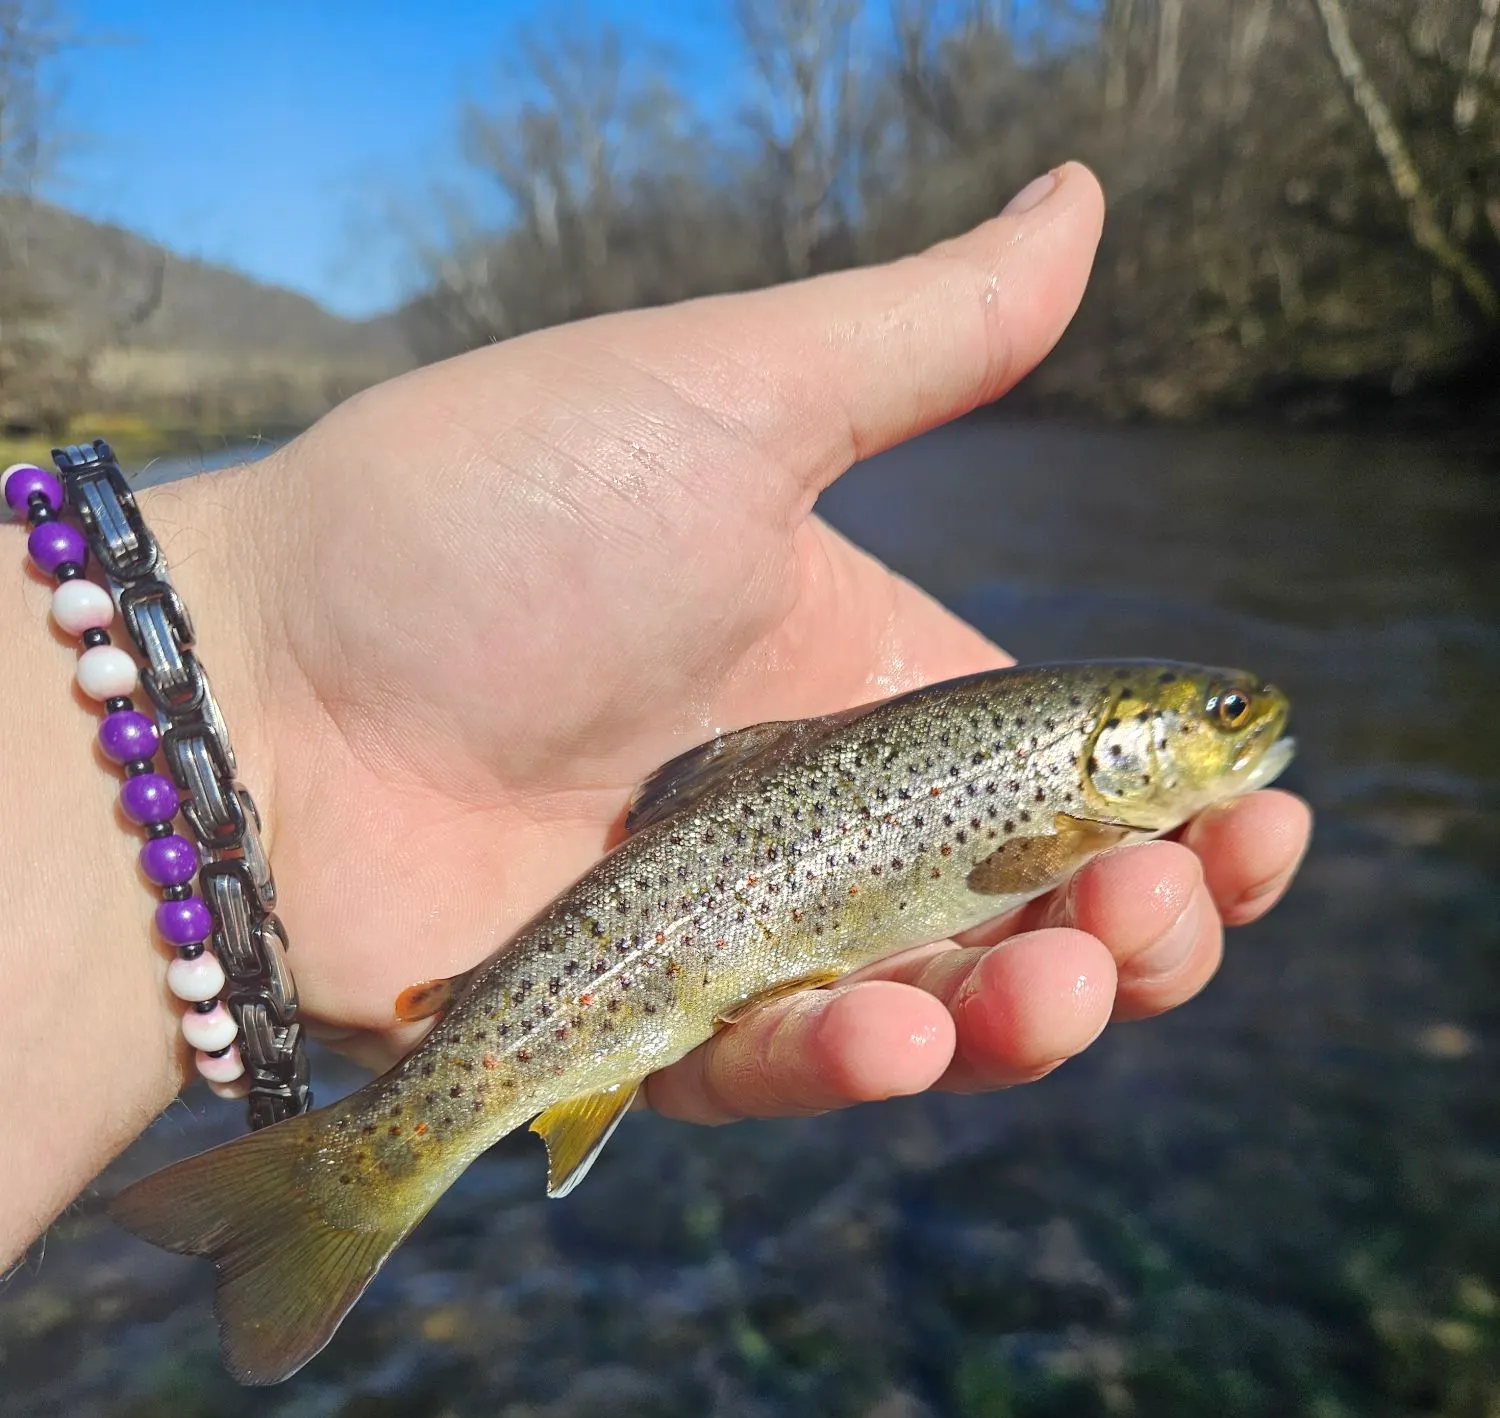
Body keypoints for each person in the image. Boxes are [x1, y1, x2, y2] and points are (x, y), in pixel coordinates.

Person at [0, 164, 1310, 1268]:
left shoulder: (1060, 784)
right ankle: (367, 1173)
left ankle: (390, 1153)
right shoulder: (1062, 795)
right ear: (1117, 747)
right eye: (1223, 713)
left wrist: (254, 672)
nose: (1248, 724)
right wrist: (271, 662)